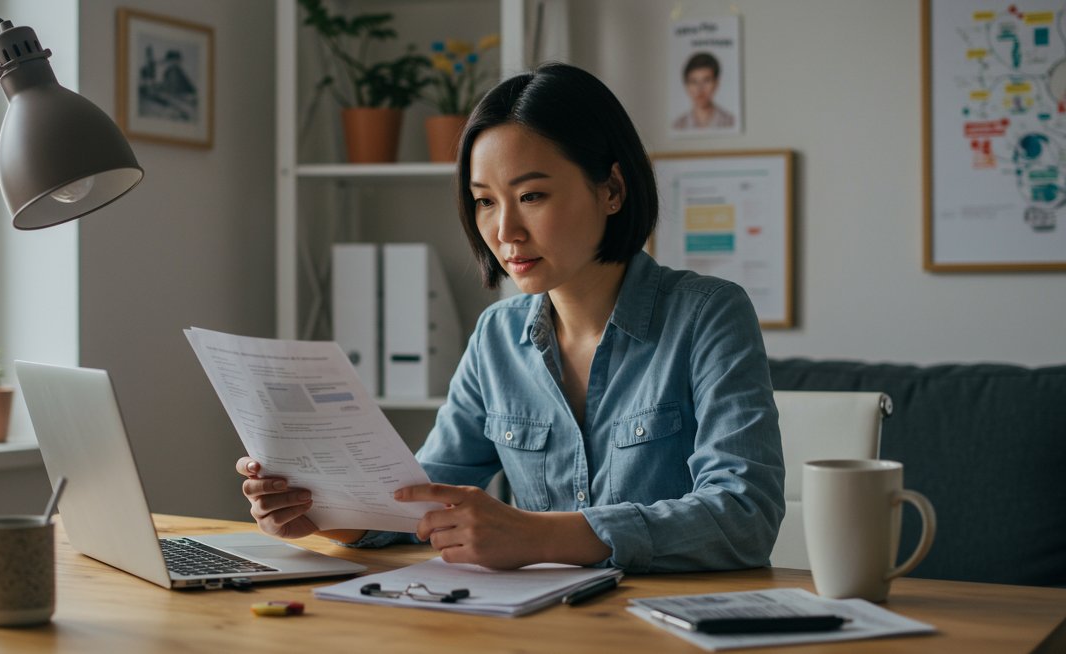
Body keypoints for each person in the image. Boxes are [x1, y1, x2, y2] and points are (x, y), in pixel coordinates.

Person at [238, 63, 783, 573]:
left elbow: (744, 517)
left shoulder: (709, 314)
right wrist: (327, 513)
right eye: (485, 202)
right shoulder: (498, 336)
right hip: (535, 626)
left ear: (611, 189)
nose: (505, 232)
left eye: (531, 195)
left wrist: (539, 536)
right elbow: (420, 500)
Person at [672, 52, 736, 130]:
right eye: (694, 82)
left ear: (716, 83)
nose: (700, 89)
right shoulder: (678, 125)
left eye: (706, 81)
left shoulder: (731, 122)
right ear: (686, 86)